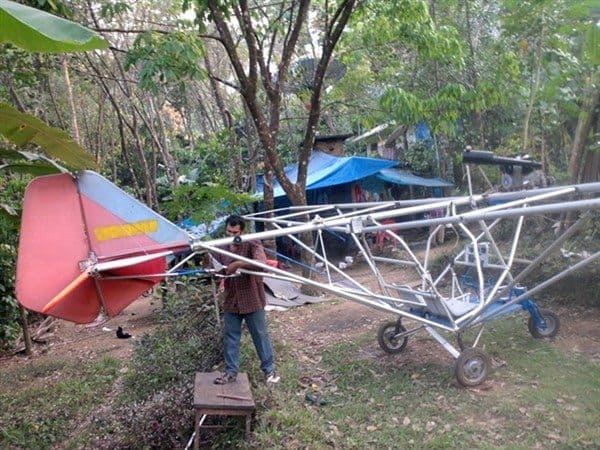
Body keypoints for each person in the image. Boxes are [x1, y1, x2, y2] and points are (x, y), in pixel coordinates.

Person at [210, 215, 279, 385]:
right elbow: (215, 265)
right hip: (232, 299)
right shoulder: (222, 246)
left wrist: (239, 263)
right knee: (230, 336)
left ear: (242, 231)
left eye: (235, 232)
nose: (232, 234)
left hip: (252, 297)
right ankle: (230, 372)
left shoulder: (252, 242)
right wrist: (215, 270)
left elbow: (261, 263)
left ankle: (269, 371)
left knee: (260, 335)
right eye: (229, 231)